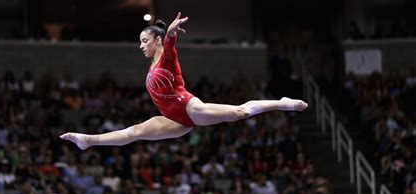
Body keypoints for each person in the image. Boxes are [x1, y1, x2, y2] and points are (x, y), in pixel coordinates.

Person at [60, 12, 308, 149]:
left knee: (240, 113)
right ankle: (88, 140)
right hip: (173, 119)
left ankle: (282, 102)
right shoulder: (153, 63)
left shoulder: (166, 54)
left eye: (144, 41)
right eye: (140, 41)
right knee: (134, 132)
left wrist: (170, 32)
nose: (140, 46)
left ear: (156, 40)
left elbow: (168, 40)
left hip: (189, 107)